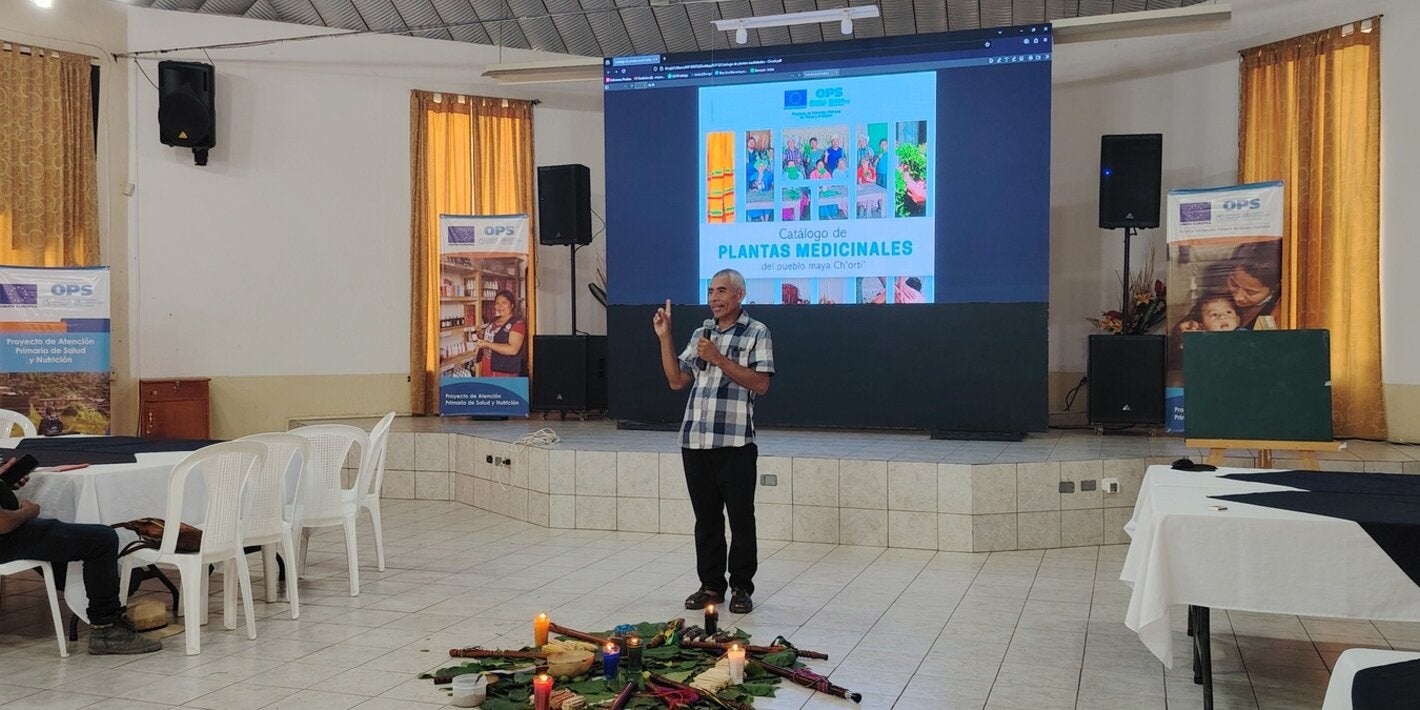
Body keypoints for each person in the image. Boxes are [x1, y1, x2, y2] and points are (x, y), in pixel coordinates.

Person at [652, 269, 774, 615]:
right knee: (706, 519)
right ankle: (711, 586)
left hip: (735, 442)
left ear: (739, 295)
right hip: (695, 440)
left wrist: (718, 358)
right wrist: (665, 337)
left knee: (740, 518)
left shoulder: (757, 332)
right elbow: (677, 380)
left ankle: (741, 587)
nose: (714, 298)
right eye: (710, 291)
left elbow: (761, 384)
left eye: (721, 291)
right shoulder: (700, 333)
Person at [0, 457, 162, 654]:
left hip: (11, 534)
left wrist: (4, 482)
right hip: (8, 538)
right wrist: (28, 512)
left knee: (67, 535)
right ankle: (107, 629)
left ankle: (108, 589)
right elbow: (3, 523)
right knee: (101, 540)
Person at [1225, 241, 1282, 329]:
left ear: (1274, 288)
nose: (1238, 297)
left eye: (1250, 292)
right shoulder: (1217, 291)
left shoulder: (1278, 313)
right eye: (1233, 283)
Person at [475, 289, 527, 377]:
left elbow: (513, 349)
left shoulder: (518, 324)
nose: (500, 306)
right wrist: (481, 335)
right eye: (497, 303)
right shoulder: (494, 320)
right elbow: (493, 337)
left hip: (504, 371)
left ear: (512, 305)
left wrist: (487, 344)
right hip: (487, 365)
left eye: (504, 302)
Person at [1179, 294, 1244, 333]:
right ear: (1203, 326)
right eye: (1214, 314)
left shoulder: (1244, 335)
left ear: (1237, 320)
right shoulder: (1202, 339)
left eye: (1228, 312)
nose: (1222, 317)